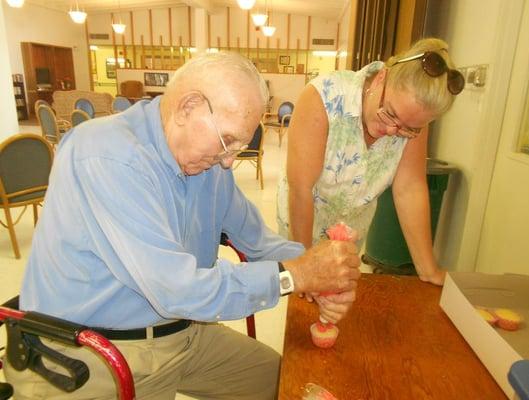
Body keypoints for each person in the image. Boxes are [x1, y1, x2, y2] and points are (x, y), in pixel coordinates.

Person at [5, 52, 360, 400]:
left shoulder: (207, 164)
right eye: (228, 141)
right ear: (187, 107)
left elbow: (260, 242)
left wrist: (321, 269)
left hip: (183, 332)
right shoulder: (107, 154)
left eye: (240, 145)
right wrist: (295, 276)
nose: (229, 162)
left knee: (292, 384)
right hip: (97, 352)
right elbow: (177, 289)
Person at [277, 38, 465, 286]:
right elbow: (301, 189)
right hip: (302, 221)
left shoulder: (414, 123)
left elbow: (410, 189)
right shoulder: (323, 97)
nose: (391, 131)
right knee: (305, 305)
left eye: (407, 129)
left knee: (338, 299)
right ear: (380, 78)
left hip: (350, 229)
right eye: (390, 114)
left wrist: (428, 269)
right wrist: (306, 267)